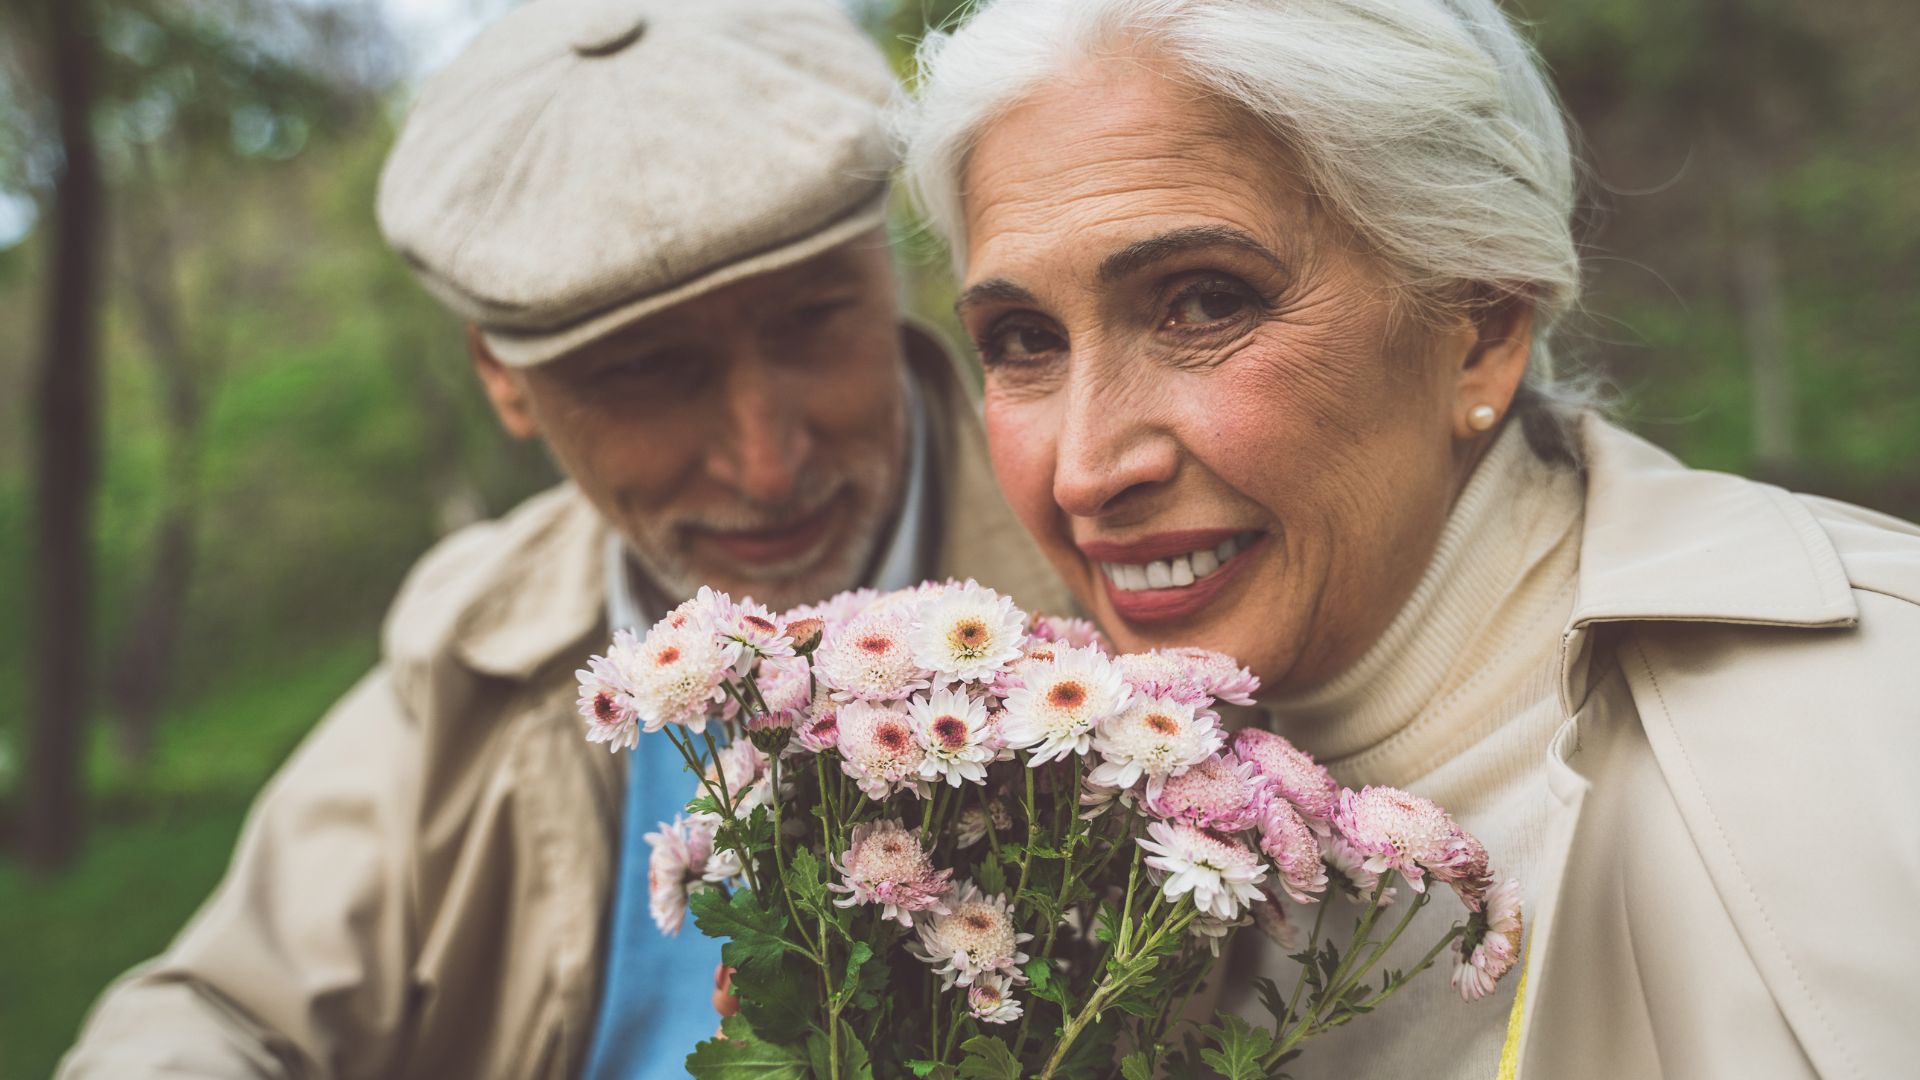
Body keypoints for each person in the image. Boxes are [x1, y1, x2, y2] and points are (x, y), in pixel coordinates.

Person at [897, 0, 1920, 1076]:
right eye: (1024, 339)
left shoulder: (1873, 724)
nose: (1086, 469)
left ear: (1481, 325)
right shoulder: (1008, 837)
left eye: (1202, 304)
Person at [58, 1, 1069, 1077]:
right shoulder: (479, 641)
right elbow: (215, 1011)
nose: (767, 462)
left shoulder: (1111, 582)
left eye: (810, 322)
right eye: (651, 373)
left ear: (891, 266)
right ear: (501, 377)